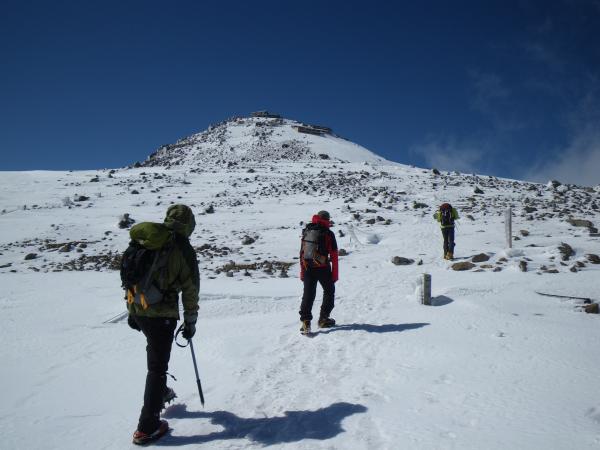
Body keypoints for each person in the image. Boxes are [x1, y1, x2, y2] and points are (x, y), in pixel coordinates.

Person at [125, 204, 200, 445]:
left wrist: (132, 310)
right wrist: (190, 322)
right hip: (161, 314)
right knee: (157, 368)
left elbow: (131, 275)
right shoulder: (183, 249)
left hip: (139, 309)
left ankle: (160, 393)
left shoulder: (148, 239)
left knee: (155, 355)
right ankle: (147, 427)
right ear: (190, 224)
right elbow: (190, 290)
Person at [299, 210, 339, 334]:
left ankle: (305, 322)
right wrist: (335, 274)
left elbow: (301, 253)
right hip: (323, 268)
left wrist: (302, 272)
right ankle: (323, 319)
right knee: (329, 291)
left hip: (307, 267)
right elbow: (334, 255)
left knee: (308, 294)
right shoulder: (328, 233)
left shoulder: (307, 231)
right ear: (327, 220)